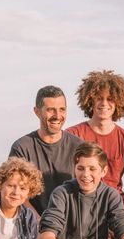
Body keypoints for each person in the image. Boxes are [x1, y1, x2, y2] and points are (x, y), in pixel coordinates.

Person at [67, 70, 124, 239]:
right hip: (85, 206)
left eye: (110, 99)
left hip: (119, 205)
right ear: (89, 99)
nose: (104, 103)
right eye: (99, 98)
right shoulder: (73, 135)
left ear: (119, 102)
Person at [9, 85, 83, 218]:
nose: (57, 116)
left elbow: (88, 190)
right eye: (50, 110)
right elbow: (16, 193)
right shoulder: (22, 147)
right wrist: (38, 223)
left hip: (72, 223)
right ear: (37, 111)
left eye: (62, 109)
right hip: (33, 223)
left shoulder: (78, 146)